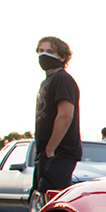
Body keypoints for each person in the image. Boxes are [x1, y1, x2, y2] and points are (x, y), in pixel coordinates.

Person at [33, 36, 82, 202]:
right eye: (41, 51)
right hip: (45, 152)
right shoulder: (47, 81)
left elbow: (65, 115)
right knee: (39, 199)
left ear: (62, 56)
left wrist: (51, 149)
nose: (43, 55)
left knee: (53, 200)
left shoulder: (63, 79)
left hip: (59, 152)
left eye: (49, 51)